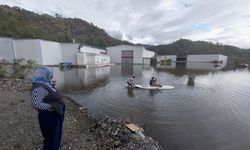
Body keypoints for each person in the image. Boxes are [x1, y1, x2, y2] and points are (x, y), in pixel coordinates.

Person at [30, 67, 65, 150]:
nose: (51, 76)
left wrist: (52, 86)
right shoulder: (39, 87)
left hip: (55, 113)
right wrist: (51, 106)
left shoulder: (45, 83)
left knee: (55, 133)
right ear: (43, 75)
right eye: (49, 75)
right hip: (49, 116)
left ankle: (55, 146)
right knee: (51, 135)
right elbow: (35, 104)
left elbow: (47, 95)